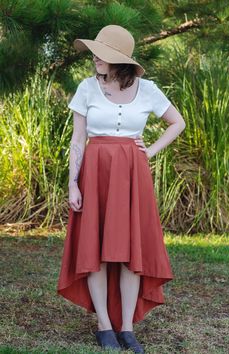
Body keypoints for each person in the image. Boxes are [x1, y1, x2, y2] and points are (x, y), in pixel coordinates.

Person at [57, 25, 186, 353]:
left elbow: (178, 122)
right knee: (95, 251)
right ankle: (104, 326)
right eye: (96, 52)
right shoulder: (87, 88)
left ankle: (127, 328)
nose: (97, 58)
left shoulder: (148, 89)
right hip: (95, 172)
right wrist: (72, 182)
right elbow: (77, 140)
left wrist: (150, 151)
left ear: (122, 60)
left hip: (133, 175)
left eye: (105, 54)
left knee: (132, 252)